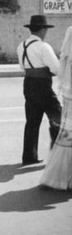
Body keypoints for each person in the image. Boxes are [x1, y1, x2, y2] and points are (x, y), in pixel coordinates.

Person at [16, 15, 61, 165]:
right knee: (57, 118)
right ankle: (57, 155)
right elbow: (56, 68)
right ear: (42, 30)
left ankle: (29, 156)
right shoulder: (43, 47)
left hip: (28, 84)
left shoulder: (21, 46)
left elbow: (23, 67)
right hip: (42, 85)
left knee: (32, 121)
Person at [40, 26, 72, 190]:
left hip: (69, 95)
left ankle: (59, 175)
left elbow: (62, 66)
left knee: (67, 136)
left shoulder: (70, 32)